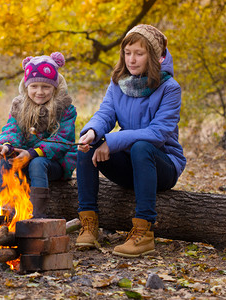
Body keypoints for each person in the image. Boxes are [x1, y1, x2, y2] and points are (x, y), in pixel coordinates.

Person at [76, 24, 186, 257]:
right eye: (128, 53)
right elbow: (106, 113)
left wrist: (113, 141)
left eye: (139, 53)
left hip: (162, 166)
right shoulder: (118, 82)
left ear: (154, 57)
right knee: (87, 147)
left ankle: (143, 233)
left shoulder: (170, 88)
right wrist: (93, 132)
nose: (132, 59)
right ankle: (88, 224)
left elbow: (158, 133)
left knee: (141, 147)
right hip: (130, 165)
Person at [0, 52, 77, 218]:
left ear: (54, 88)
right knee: (6, 159)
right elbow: (12, 129)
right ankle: (5, 210)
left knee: (37, 163)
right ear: (26, 87)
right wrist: (6, 145)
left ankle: (37, 215)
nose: (40, 92)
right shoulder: (20, 106)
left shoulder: (65, 109)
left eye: (46, 87)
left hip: (54, 162)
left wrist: (32, 153)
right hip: (24, 156)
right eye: (34, 86)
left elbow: (62, 140)